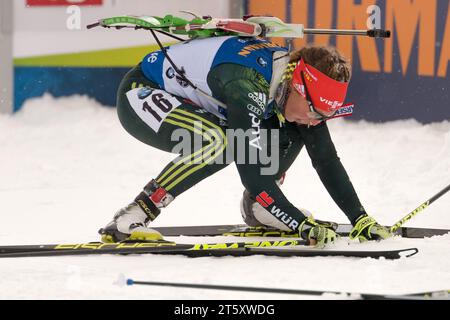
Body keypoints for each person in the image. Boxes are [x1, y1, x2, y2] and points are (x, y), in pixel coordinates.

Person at [99, 35, 391, 246]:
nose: (317, 119)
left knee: (297, 125)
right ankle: (133, 215)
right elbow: (251, 172)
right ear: (298, 87)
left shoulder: (292, 86)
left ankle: (261, 208)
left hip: (195, 100)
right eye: (316, 110)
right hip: (142, 92)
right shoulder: (247, 85)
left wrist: (360, 219)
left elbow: (325, 159)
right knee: (222, 144)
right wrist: (300, 224)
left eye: (325, 115)